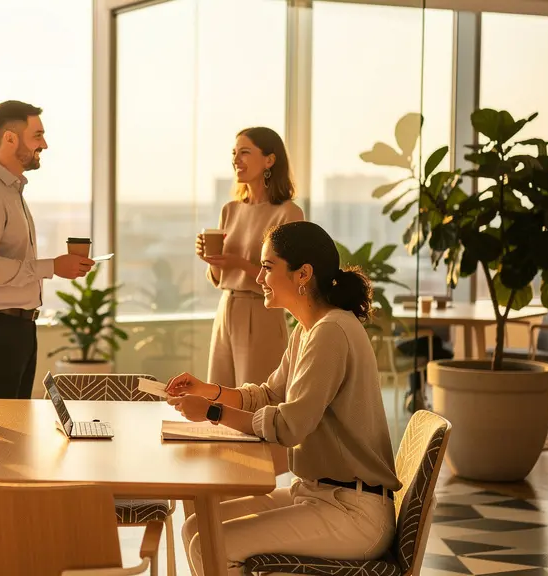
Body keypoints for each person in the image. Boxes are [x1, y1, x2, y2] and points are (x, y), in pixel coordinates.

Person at [168, 221, 399, 576]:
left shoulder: (331, 333)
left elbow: (290, 426)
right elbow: (269, 395)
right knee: (197, 527)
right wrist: (207, 390)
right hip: (317, 496)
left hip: (353, 514)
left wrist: (213, 412)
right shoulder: (308, 330)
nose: (259, 278)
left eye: (267, 267)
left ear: (302, 274)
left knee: (208, 543)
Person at [0, 100, 94, 399]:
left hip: (16, 328)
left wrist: (57, 266)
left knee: (15, 427)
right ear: (9, 138)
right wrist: (51, 267)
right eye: (37, 135)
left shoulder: (9, 191)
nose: (44, 144)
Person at [197, 127, 304, 389]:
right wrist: (212, 260)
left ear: (270, 160)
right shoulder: (230, 210)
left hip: (262, 312)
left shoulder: (288, 213)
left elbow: (287, 281)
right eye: (234, 153)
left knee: (254, 400)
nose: (236, 159)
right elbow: (220, 278)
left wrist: (239, 264)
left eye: (245, 152)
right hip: (226, 310)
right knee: (219, 397)